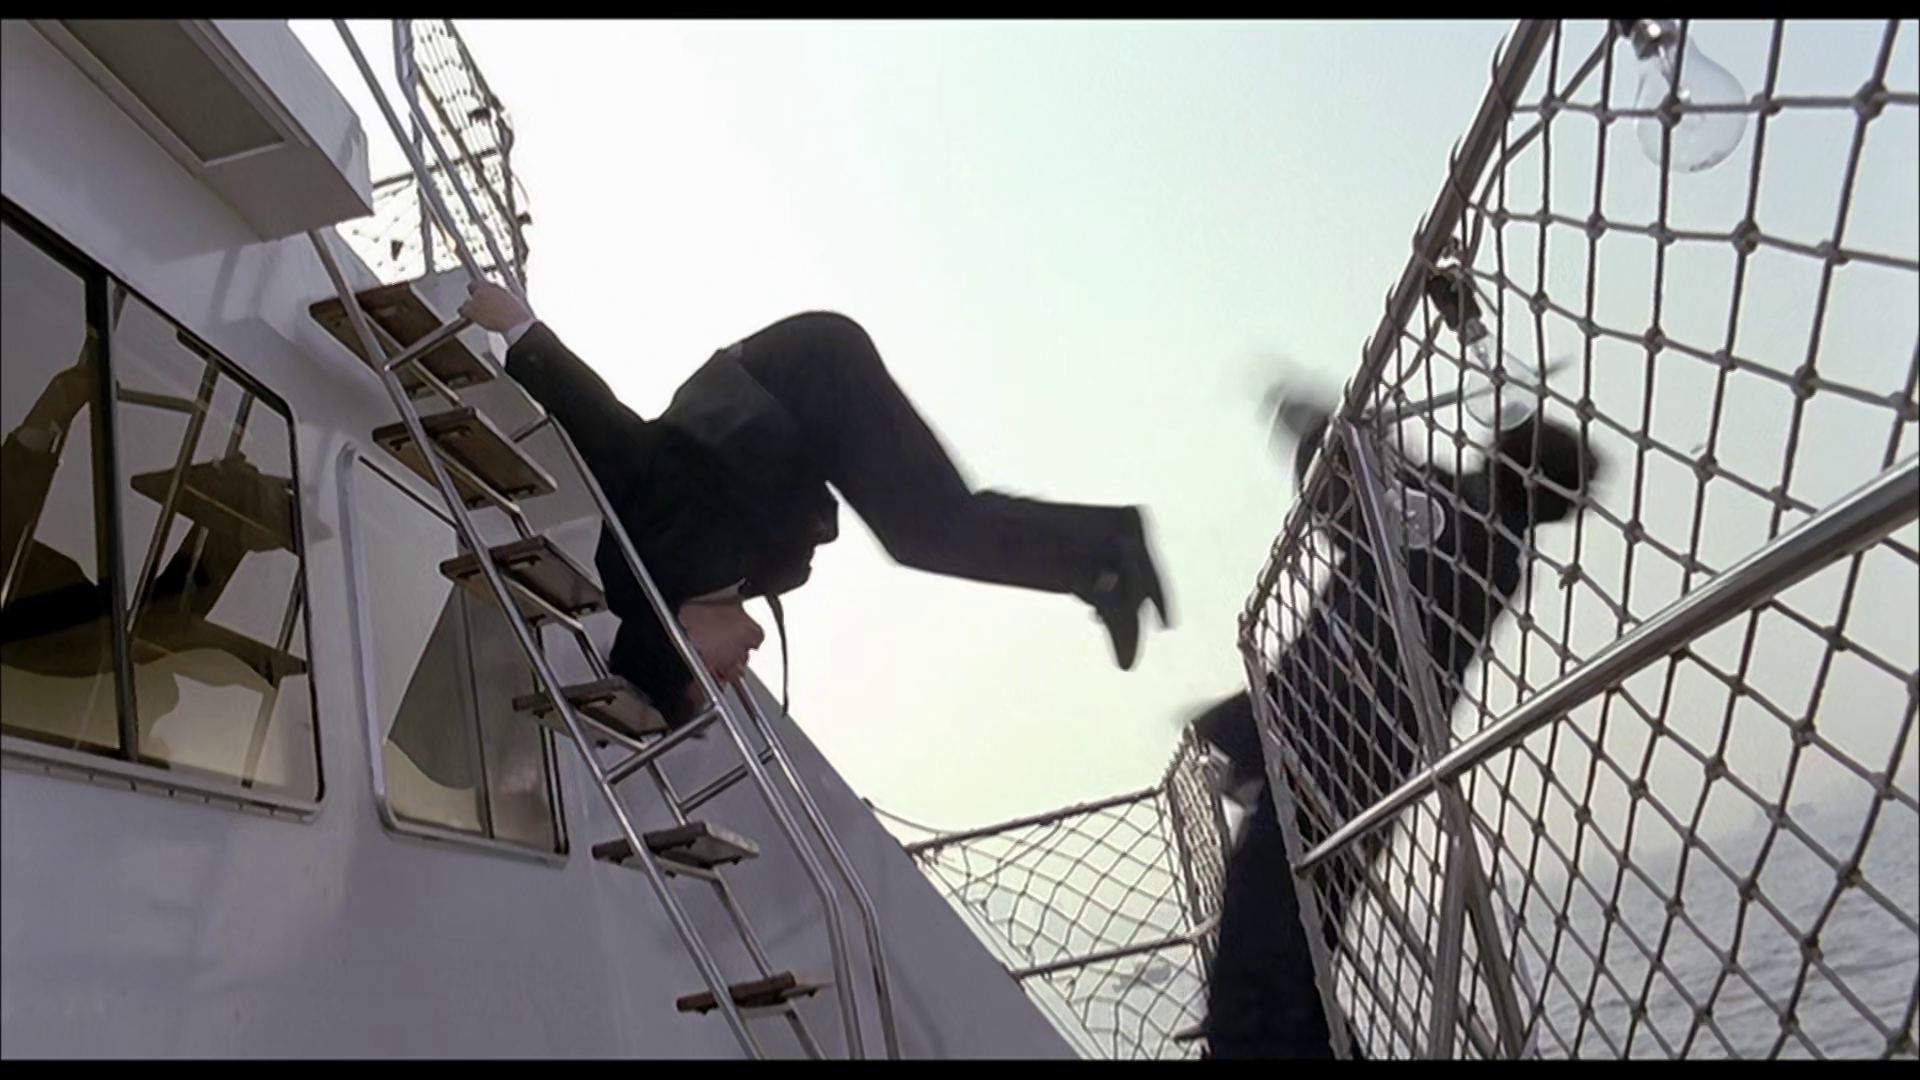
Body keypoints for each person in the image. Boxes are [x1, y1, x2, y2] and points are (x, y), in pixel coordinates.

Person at [458, 282, 1171, 726]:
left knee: (926, 530)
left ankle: (1108, 553)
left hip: (801, 372)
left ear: (680, 638)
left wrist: (519, 327)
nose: (735, 674)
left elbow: (601, 426)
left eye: (712, 676)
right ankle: (1101, 564)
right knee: (924, 534)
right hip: (813, 419)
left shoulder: (645, 536)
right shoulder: (753, 576)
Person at [1191, 394, 1603, 1059]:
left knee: (1259, 985)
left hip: (1324, 766)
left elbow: (1344, 495)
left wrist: (1330, 427)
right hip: (1355, 774)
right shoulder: (1495, 552)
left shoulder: (1459, 527)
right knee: (1288, 965)